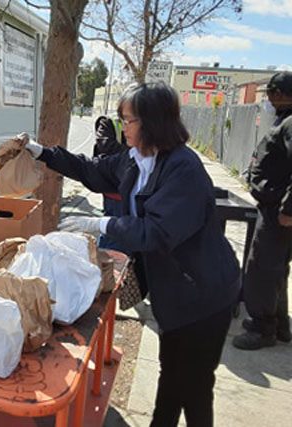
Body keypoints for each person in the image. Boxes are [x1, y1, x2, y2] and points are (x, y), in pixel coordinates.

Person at [25, 82, 240, 426]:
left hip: (203, 292)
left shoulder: (182, 168)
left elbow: (158, 232)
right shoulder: (135, 157)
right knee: (172, 376)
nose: (123, 127)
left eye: (128, 120)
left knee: (195, 386)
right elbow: (92, 170)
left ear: (152, 122)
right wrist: (43, 153)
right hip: (174, 289)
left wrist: (103, 225)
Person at [233, 71, 292, 350]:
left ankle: (263, 329)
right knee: (277, 269)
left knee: (262, 270)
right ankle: (280, 324)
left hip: (278, 213)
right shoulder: (285, 120)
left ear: (280, 94)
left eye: (270, 94)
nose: (268, 99)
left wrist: (288, 209)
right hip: (277, 209)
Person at [92, 115, 127, 251]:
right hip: (114, 193)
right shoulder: (108, 123)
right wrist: (137, 153)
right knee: (112, 238)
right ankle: (105, 267)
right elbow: (105, 146)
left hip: (134, 194)